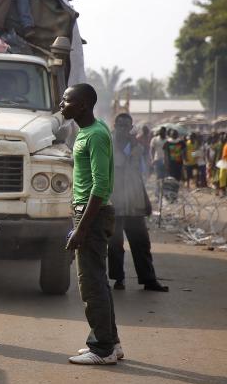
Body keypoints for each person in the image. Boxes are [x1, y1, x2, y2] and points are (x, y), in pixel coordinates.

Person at [61, 84, 122, 365]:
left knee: (91, 283)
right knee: (97, 279)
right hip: (87, 212)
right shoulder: (86, 132)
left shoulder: (96, 135)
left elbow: (101, 184)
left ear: (83, 104)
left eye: (67, 100)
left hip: (92, 214)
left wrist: (82, 227)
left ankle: (102, 349)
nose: (62, 105)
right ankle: (111, 342)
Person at [107, 113, 168, 292]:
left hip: (134, 203)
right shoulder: (107, 146)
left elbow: (141, 176)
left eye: (126, 126)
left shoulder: (138, 148)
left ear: (131, 127)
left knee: (141, 243)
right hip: (114, 203)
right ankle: (119, 279)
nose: (123, 129)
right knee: (115, 244)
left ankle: (149, 280)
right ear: (115, 125)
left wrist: (147, 201)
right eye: (120, 125)